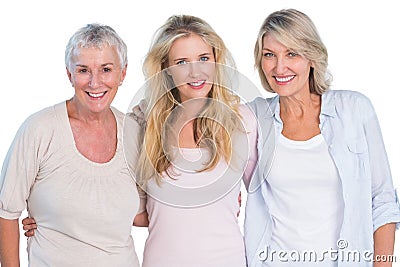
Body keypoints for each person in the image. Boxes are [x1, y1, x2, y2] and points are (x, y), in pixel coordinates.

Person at [244, 9, 400, 267]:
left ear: (312, 57)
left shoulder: (354, 109)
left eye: (291, 53)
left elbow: (382, 200)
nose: (279, 66)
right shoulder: (255, 117)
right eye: (269, 55)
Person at [0, 23, 147, 266]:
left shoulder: (134, 133)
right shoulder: (40, 129)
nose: (95, 82)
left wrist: (214, 203)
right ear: (69, 74)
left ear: (123, 73)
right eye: (83, 70)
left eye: (106, 69)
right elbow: (6, 213)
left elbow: (142, 215)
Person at [129, 14, 257, 267]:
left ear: (216, 61)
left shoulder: (242, 120)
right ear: (166, 70)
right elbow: (129, 209)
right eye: (181, 62)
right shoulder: (145, 122)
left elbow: (268, 196)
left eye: (203, 58)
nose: (195, 71)